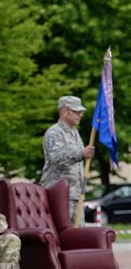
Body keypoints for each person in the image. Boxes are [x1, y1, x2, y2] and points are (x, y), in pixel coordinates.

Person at [40, 95, 95, 225]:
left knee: (78, 236)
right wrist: (80, 154)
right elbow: (55, 158)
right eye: (76, 112)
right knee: (62, 234)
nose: (80, 115)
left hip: (76, 195)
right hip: (59, 195)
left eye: (81, 112)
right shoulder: (54, 133)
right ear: (64, 112)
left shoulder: (75, 133)